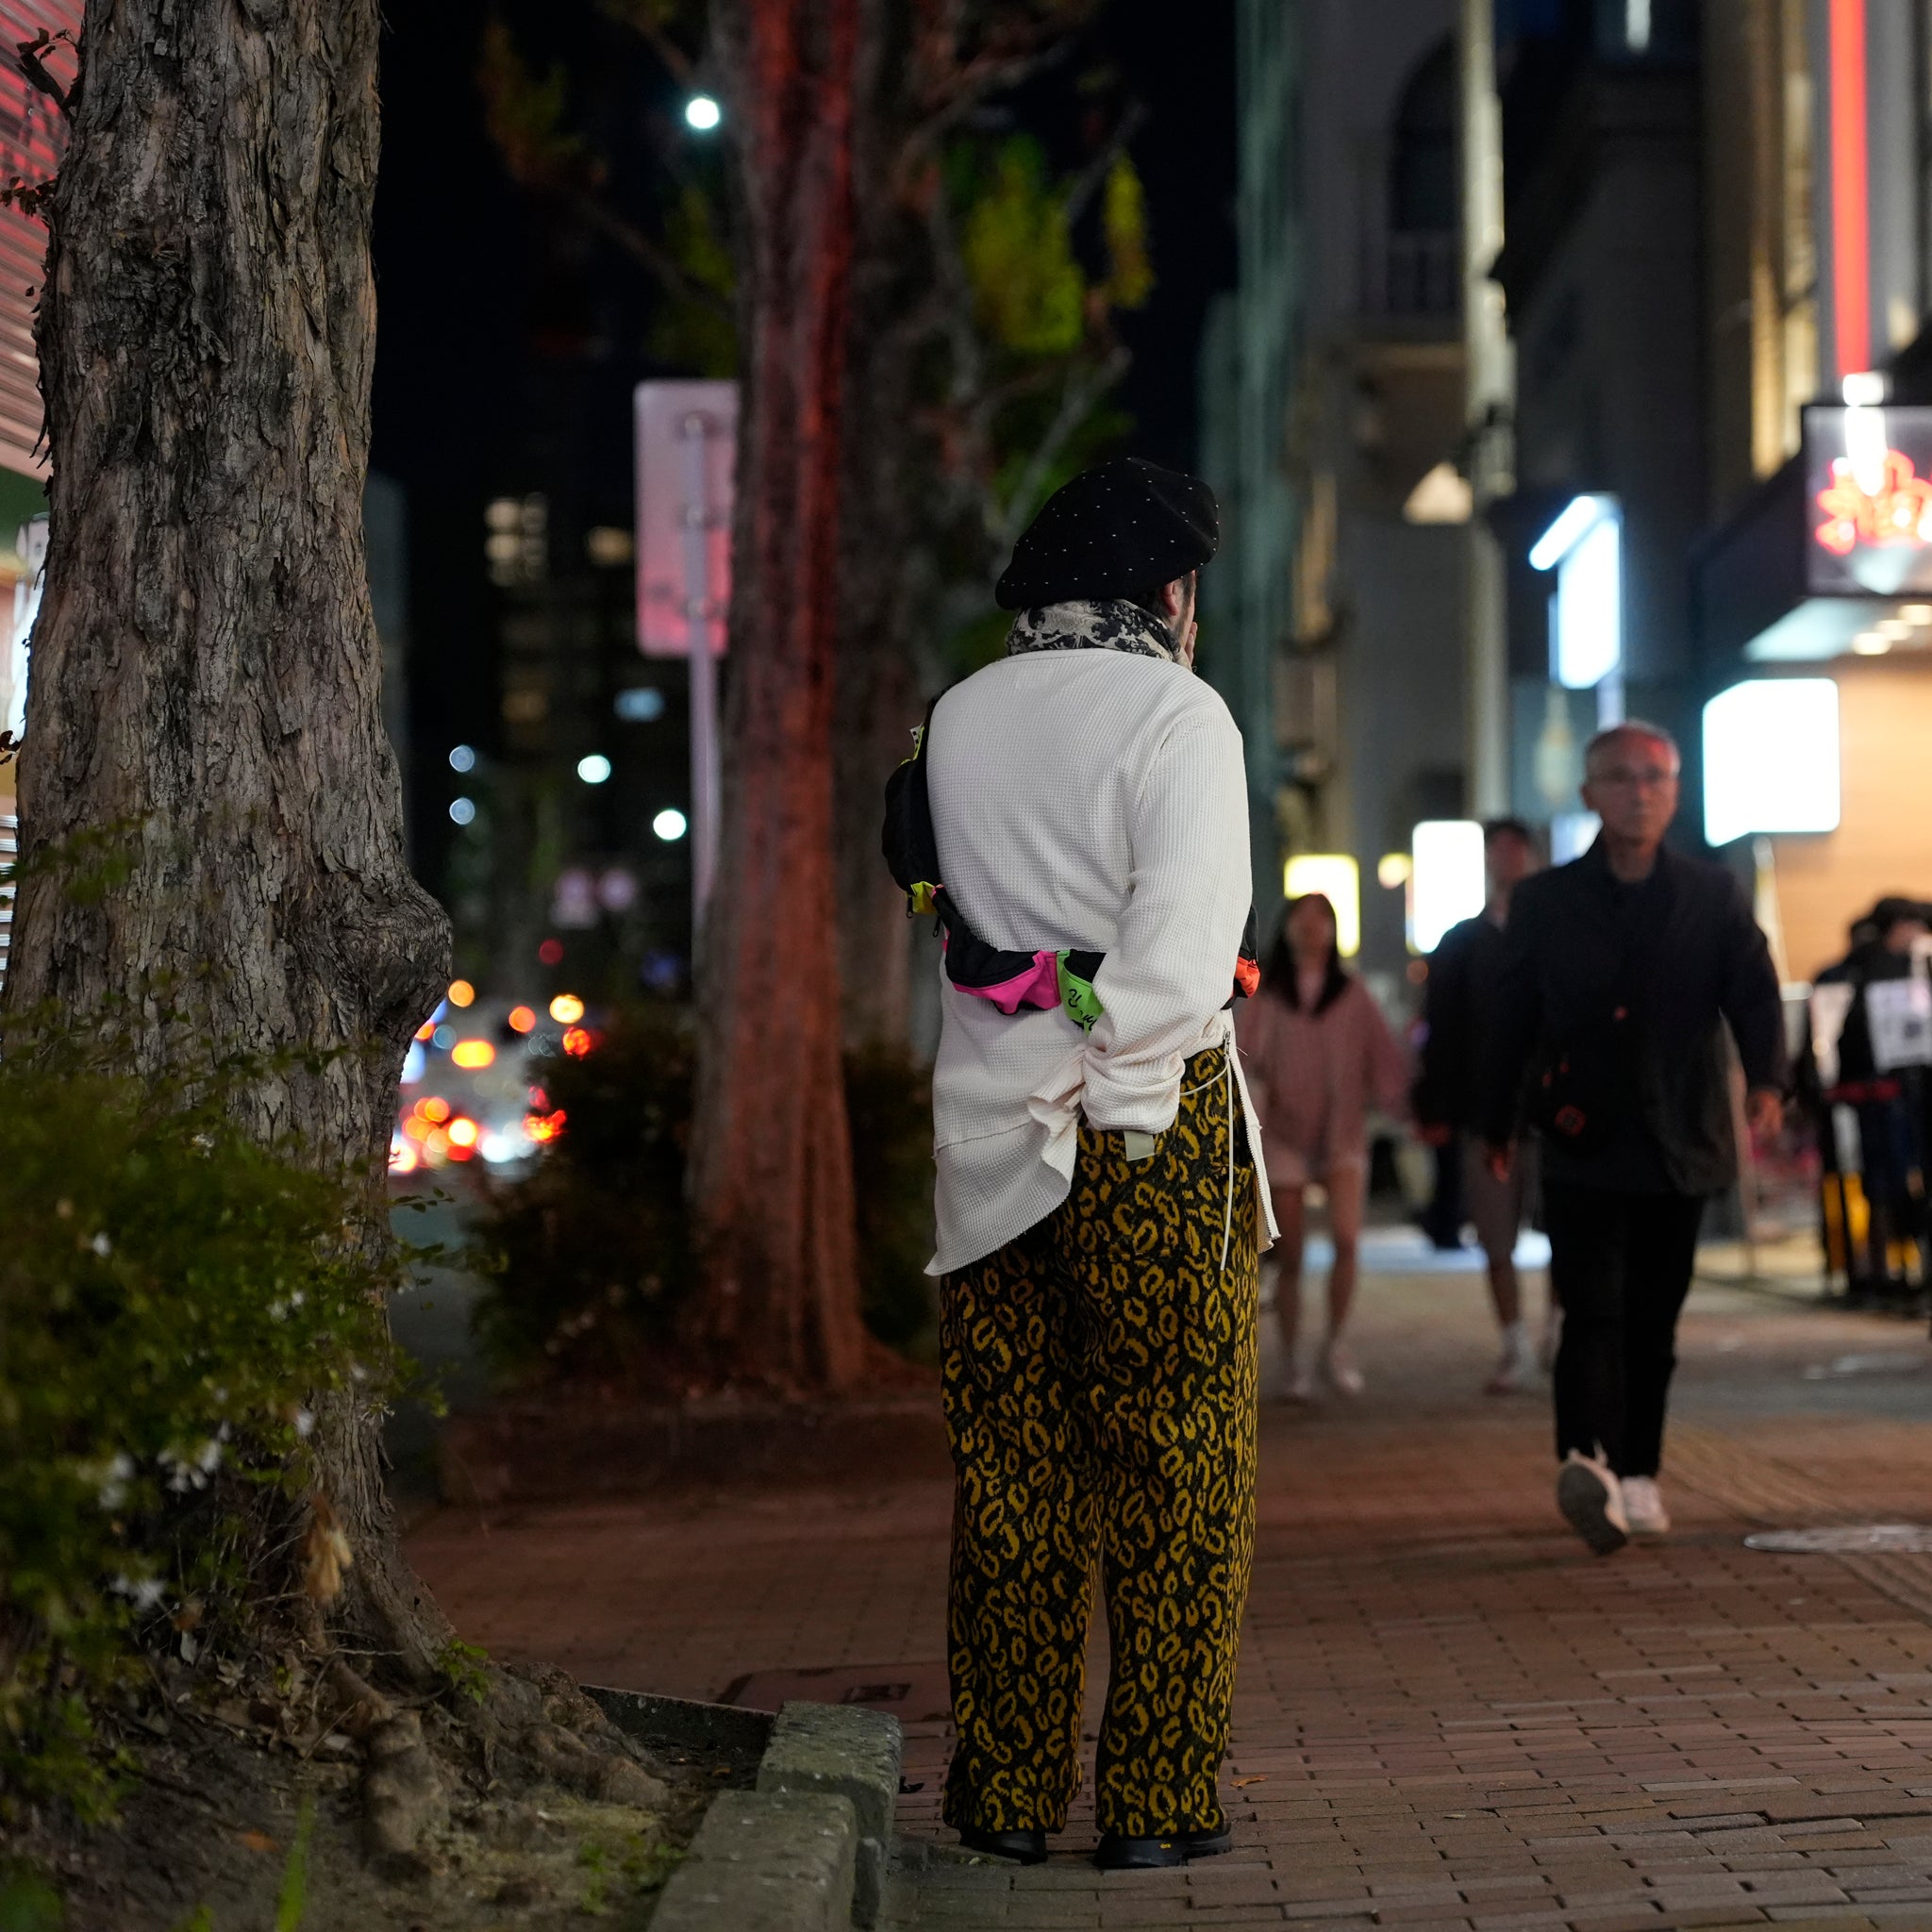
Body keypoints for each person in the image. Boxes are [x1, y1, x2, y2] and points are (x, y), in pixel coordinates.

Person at [913, 458, 1272, 1872]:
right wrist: (1122, 1102)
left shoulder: (956, 718)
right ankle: (1158, 1798)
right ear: (1170, 591)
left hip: (984, 1136)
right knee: (1179, 1465)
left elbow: (961, 937)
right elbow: (1182, 956)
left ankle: (1004, 1792)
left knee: (1012, 1474)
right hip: (1145, 1130)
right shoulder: (1179, 717)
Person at [1480, 721, 1786, 1556]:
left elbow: (1753, 995)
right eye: (1619, 777)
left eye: (1654, 776)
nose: (1639, 791)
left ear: (1675, 790)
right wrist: (1498, 1121)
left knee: (1655, 1316)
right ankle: (1589, 1461)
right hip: (1584, 1135)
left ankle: (1641, 1471)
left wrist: (1766, 1082)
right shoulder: (1545, 902)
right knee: (1592, 1309)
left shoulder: (1713, 893)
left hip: (1683, 1134)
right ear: (1588, 795)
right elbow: (1512, 1017)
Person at [1237, 891, 1408, 1400]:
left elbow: (1384, 1057)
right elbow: (1247, 1057)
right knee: (1290, 1255)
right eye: (1301, 920)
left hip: (1342, 1131)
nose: (1311, 929)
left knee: (1348, 1240)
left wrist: (1407, 1108)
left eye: (1321, 921)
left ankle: (1335, 1342)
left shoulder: (1351, 994)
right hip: (1283, 1134)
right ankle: (1292, 1360)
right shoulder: (1267, 994)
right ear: (1287, 928)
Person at [1413, 819, 1547, 1392]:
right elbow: (1439, 1031)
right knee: (1496, 1237)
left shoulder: (1559, 931)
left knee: (1569, 1230)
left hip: (1555, 1112)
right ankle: (1514, 1340)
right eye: (1497, 849)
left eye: (1517, 848)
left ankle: (1558, 1333)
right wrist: (1437, 1105)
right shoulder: (1460, 943)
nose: (1507, 858)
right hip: (1481, 1112)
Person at [1808, 896, 1932, 1297]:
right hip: (1884, 1097)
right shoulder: (1882, 974)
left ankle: (1880, 1271)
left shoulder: (1864, 972)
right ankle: (1882, 1271)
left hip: (1882, 1096)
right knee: (1885, 1185)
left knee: (1882, 1186)